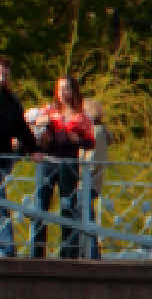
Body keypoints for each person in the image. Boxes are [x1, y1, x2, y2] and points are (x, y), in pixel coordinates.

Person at [31, 77, 94, 259]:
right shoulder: (49, 111)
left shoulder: (81, 116)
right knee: (40, 207)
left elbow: (91, 142)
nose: (63, 93)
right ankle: (37, 253)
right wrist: (40, 123)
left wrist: (78, 140)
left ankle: (68, 254)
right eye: (60, 89)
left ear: (73, 91)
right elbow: (32, 124)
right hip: (48, 162)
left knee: (67, 208)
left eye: (66, 89)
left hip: (69, 165)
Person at [0, 61, 34, 257]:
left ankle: (6, 247)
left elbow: (21, 128)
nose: (2, 79)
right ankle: (6, 246)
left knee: (2, 202)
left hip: (3, 157)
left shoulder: (11, 102)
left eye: (5, 75)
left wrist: (33, 149)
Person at [78, 96, 112, 260]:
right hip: (91, 180)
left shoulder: (96, 132)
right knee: (86, 215)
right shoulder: (99, 131)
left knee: (86, 216)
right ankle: (88, 251)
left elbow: (93, 159)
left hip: (88, 180)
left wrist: (79, 170)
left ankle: (91, 253)